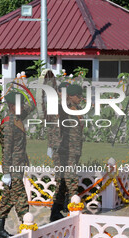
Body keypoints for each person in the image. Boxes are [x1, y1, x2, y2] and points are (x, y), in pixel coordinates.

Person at [0, 92, 35, 238]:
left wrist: (29, 90)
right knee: (21, 198)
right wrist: (6, 172)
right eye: (19, 104)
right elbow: (6, 150)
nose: (22, 106)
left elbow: (32, 106)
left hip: (19, 165)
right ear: (11, 106)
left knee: (8, 197)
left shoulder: (17, 118)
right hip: (12, 168)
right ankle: (28, 226)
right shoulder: (9, 123)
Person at [50, 84, 83, 222]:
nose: (81, 98)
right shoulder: (63, 107)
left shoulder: (78, 108)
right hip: (64, 151)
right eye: (78, 96)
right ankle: (73, 213)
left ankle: (56, 212)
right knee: (71, 181)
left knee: (64, 182)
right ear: (70, 96)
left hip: (74, 149)